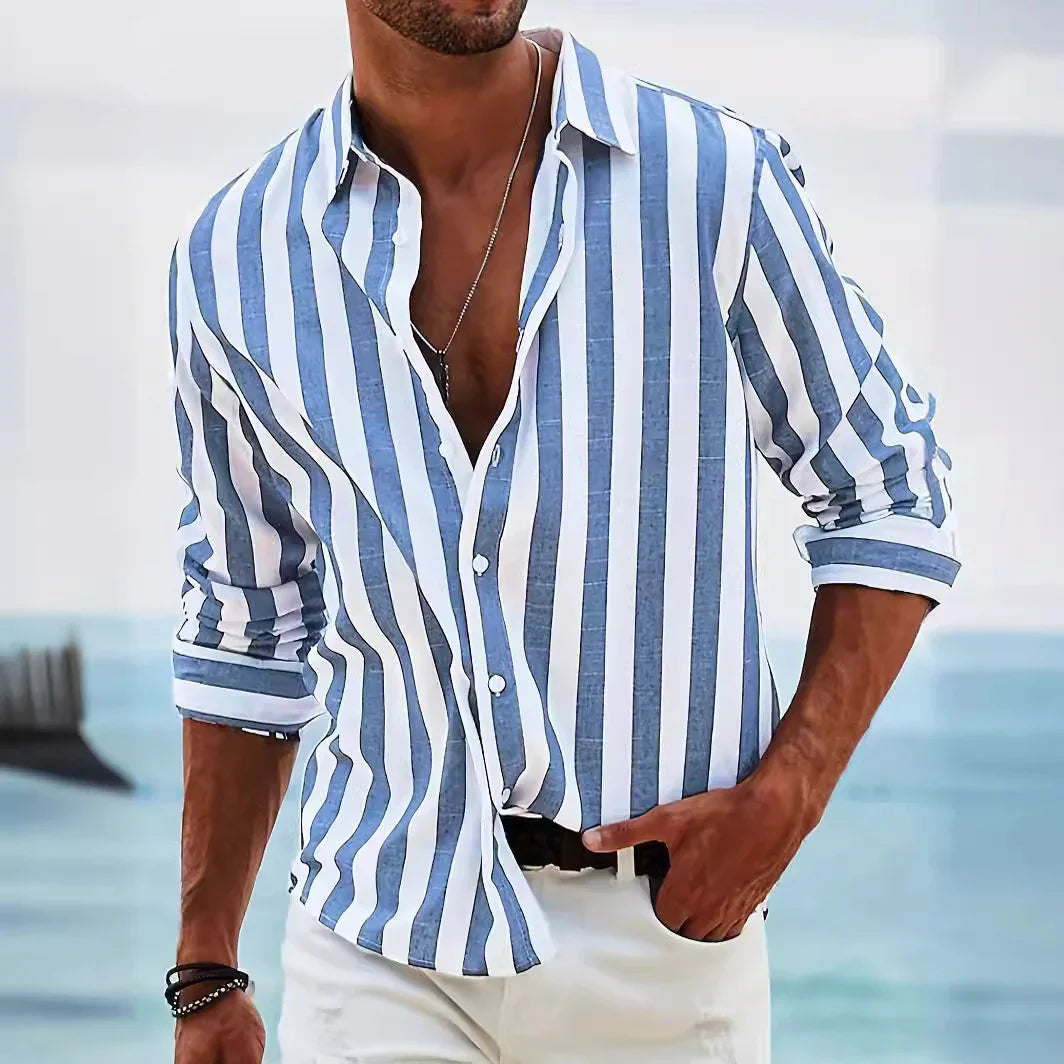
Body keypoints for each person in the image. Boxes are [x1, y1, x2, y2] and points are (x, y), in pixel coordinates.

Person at [166, 2, 960, 1061]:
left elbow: (887, 484)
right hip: (379, 938)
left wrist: (792, 792)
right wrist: (205, 966)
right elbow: (246, 618)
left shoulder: (707, 178)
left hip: (667, 943)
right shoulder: (238, 255)